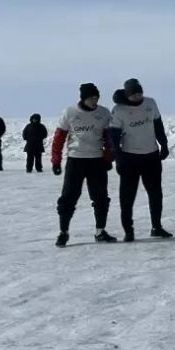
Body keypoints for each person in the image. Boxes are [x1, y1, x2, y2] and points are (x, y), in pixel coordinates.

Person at [50, 83, 116, 246]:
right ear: (84, 98)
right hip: (76, 160)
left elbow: (110, 139)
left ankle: (100, 231)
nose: (95, 101)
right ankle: (63, 232)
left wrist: (108, 158)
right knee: (68, 197)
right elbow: (59, 138)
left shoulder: (103, 113)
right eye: (91, 98)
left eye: (96, 98)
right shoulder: (70, 113)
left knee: (100, 198)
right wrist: (56, 160)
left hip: (96, 160)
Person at [107, 78, 172, 242]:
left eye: (139, 93)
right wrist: (118, 157)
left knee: (155, 193)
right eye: (134, 94)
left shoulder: (150, 103)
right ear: (127, 95)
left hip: (151, 156)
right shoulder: (119, 110)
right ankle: (128, 230)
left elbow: (158, 125)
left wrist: (163, 145)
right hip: (130, 158)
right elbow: (114, 137)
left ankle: (156, 226)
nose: (137, 96)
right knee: (127, 197)